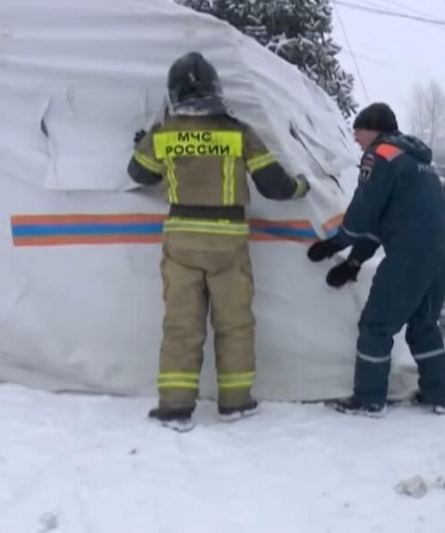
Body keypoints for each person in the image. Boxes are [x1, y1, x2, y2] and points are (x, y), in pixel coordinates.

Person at [127, 51, 309, 431]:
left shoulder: (164, 134)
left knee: (181, 325)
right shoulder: (237, 132)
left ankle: (176, 408)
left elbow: (138, 174)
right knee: (235, 324)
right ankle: (235, 403)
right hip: (228, 241)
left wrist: (142, 142)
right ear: (216, 89)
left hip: (181, 241)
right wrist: (302, 186)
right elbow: (275, 186)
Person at [305, 102, 445, 417]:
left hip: (410, 256)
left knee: (376, 325)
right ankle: (437, 394)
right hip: (444, 254)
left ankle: (369, 399)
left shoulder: (381, 155)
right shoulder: (415, 160)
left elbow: (364, 211)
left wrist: (336, 244)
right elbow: (387, 221)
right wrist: (354, 262)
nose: (355, 137)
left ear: (373, 128)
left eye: (358, 130)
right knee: (423, 324)